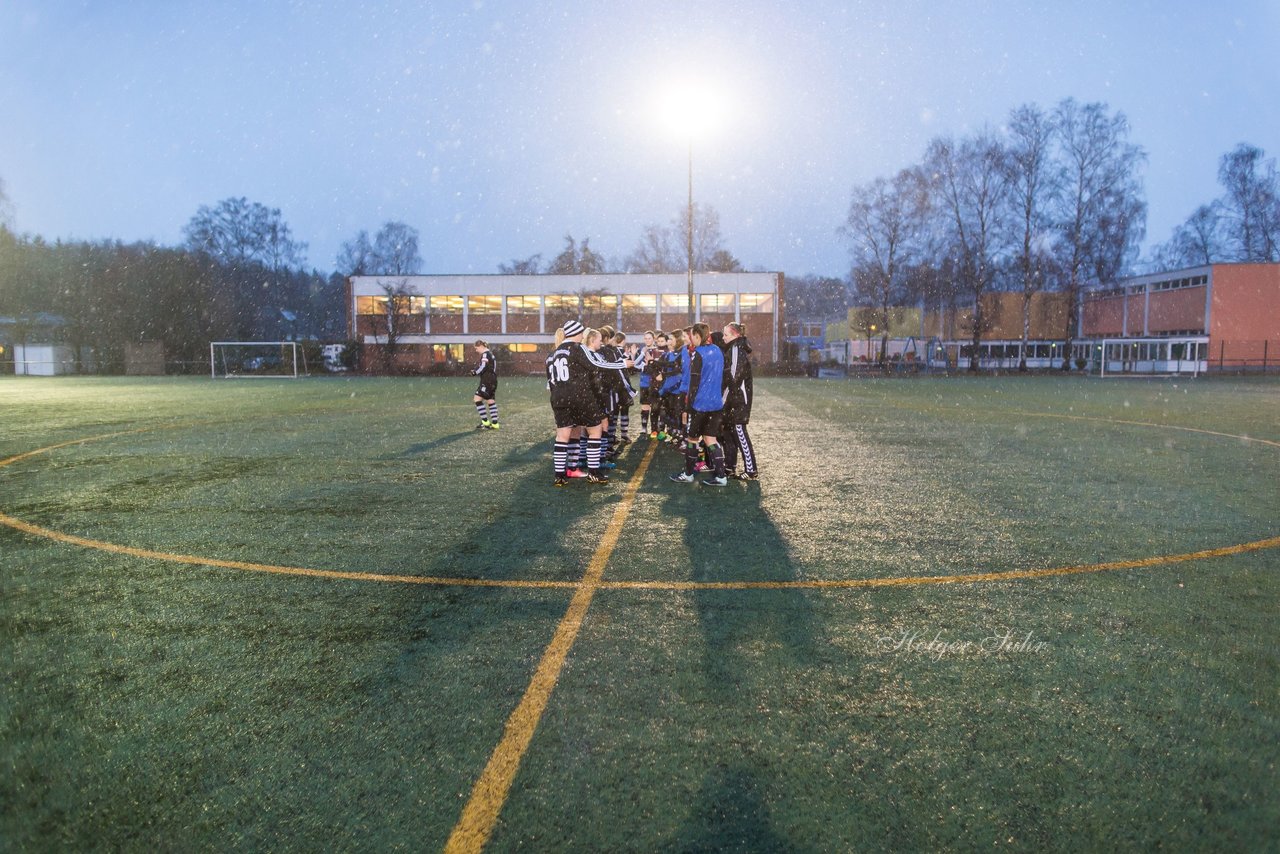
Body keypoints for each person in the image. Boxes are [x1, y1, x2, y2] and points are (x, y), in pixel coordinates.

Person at [546, 320, 631, 486]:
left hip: (558, 397)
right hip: (579, 396)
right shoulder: (576, 348)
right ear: (576, 334)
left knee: (562, 436)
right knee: (595, 431)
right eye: (580, 333)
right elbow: (595, 364)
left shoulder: (555, 352)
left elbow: (550, 380)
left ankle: (560, 476)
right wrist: (621, 364)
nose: (581, 336)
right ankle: (594, 472)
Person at [669, 323, 728, 487]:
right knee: (711, 439)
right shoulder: (717, 350)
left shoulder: (698, 354)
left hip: (700, 405)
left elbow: (694, 383)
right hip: (716, 404)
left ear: (696, 335)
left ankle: (688, 474)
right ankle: (721, 476)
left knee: (692, 439)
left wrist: (687, 408)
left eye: (692, 336)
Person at [720, 322, 758, 480]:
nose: (723, 337)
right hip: (734, 401)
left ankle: (751, 470)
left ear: (735, 335)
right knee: (732, 434)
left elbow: (733, 379)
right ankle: (731, 467)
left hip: (738, 401)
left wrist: (722, 401)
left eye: (726, 334)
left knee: (740, 433)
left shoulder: (736, 349)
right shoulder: (734, 349)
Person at [471, 340, 499, 429]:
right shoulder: (491, 354)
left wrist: (475, 372)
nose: (476, 350)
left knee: (477, 399)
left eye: (476, 348)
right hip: (493, 380)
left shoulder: (485, 354)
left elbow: (483, 366)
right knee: (490, 401)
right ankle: (495, 424)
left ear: (480, 346)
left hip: (487, 381)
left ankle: (486, 422)